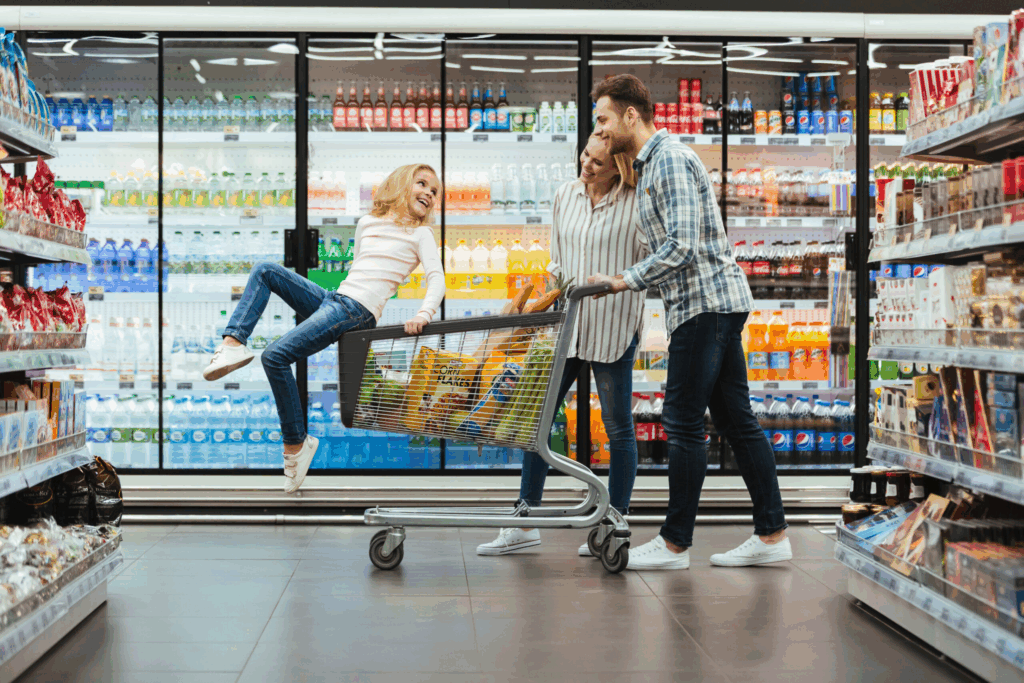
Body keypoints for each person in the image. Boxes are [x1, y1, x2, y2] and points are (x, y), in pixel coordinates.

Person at [588, 74, 791, 570]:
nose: (599, 128)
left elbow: (683, 246)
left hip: (705, 305)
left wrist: (624, 280)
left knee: (681, 422)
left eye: (603, 119)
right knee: (737, 422)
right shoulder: (648, 167)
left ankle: (674, 543)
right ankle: (772, 535)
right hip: (705, 304)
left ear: (630, 116)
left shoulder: (670, 160)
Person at [203, 164, 444, 494]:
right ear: (401, 184)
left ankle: (296, 445)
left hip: (356, 311)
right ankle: (233, 343)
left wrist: (424, 313)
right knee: (265, 271)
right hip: (336, 299)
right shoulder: (368, 223)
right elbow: (359, 268)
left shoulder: (422, 234)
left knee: (274, 357)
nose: (429, 193)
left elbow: (437, 279)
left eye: (435, 191)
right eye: (422, 183)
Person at [477, 133, 647, 557]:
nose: (587, 166)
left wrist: (617, 281)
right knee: (538, 420)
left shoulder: (637, 200)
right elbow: (556, 260)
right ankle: (525, 519)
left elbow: (651, 261)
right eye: (586, 156)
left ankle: (615, 520)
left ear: (619, 168)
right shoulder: (565, 195)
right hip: (566, 327)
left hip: (613, 324)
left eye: (599, 163)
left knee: (619, 426)